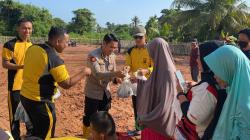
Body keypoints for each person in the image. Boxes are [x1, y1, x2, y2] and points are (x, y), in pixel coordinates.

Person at [20, 26, 91, 139]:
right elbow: (66, 83)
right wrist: (84, 71)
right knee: (45, 135)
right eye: (66, 42)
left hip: (25, 97)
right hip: (41, 103)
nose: (67, 45)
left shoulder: (33, 48)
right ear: (58, 41)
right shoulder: (53, 58)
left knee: (34, 131)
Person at [175, 41, 227, 140]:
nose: (197, 60)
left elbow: (192, 117)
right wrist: (196, 85)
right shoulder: (220, 80)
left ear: (208, 59)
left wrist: (180, 93)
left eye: (199, 56)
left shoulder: (208, 88)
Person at [83, 33, 125, 138]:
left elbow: (113, 73)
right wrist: (115, 74)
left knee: (104, 119)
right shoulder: (93, 56)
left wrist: (117, 79)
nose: (113, 50)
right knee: (90, 118)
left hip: (106, 93)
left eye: (115, 47)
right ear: (104, 44)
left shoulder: (112, 56)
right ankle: (87, 137)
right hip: (93, 93)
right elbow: (98, 74)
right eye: (111, 47)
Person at [204, 45, 250, 139]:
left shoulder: (244, 111)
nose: (215, 76)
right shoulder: (234, 92)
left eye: (218, 71)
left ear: (230, 68)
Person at [136, 38, 177, 140]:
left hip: (159, 126)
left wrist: (147, 119)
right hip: (154, 123)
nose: (150, 56)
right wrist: (140, 81)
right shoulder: (161, 67)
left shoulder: (167, 72)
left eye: (151, 52)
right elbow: (156, 87)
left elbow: (166, 103)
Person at [1, 18, 33, 140]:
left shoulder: (32, 46)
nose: (27, 31)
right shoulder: (9, 45)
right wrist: (21, 66)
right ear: (18, 28)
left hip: (29, 87)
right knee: (15, 117)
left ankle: (31, 137)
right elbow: (5, 64)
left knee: (30, 116)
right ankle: (16, 138)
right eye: (24, 28)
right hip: (15, 87)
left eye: (29, 28)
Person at [125, 25, 153, 131]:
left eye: (140, 37)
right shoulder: (130, 51)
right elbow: (128, 65)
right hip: (136, 85)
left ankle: (148, 131)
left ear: (145, 37)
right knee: (137, 107)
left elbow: (155, 66)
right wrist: (126, 69)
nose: (137, 39)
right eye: (135, 37)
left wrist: (147, 70)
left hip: (149, 84)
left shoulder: (151, 50)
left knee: (149, 108)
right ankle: (138, 130)